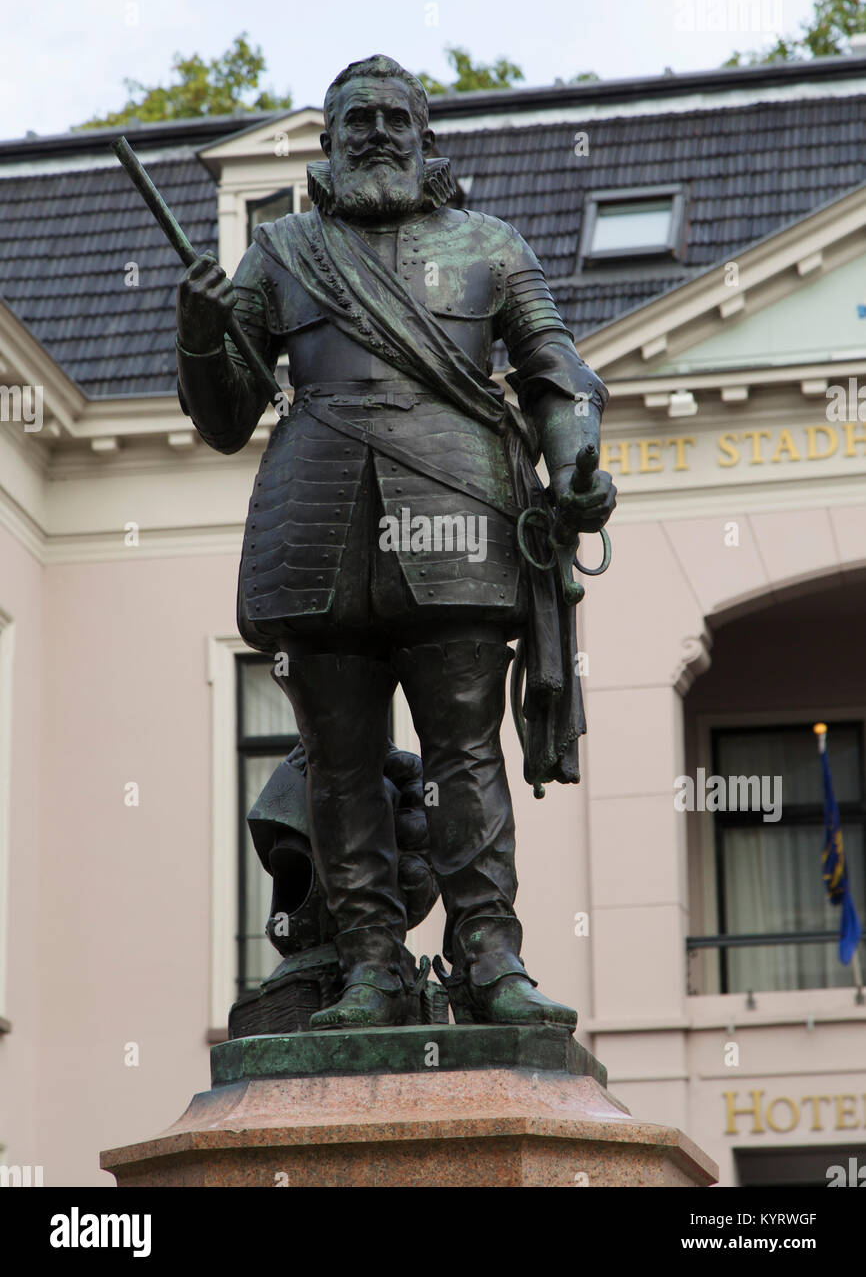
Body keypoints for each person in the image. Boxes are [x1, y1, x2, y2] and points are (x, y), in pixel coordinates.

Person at [175, 55, 616, 1031]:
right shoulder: (280, 249)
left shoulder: (488, 244)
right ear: (327, 143)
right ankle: (369, 966)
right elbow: (222, 415)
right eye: (354, 120)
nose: (374, 132)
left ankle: (490, 956)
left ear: (423, 135)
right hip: (314, 519)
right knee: (339, 759)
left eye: (391, 118)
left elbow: (556, 373)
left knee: (464, 749)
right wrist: (200, 334)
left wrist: (576, 461)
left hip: (456, 507)